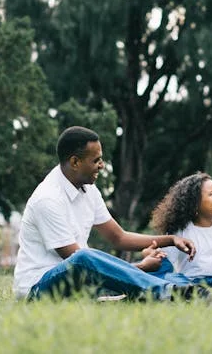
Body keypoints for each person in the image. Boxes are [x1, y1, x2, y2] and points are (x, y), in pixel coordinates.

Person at [13, 126, 201, 301]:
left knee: (162, 265)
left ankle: (198, 290)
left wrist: (170, 240)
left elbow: (119, 238)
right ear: (75, 162)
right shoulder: (48, 199)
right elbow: (81, 264)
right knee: (83, 257)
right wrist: (141, 267)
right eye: (96, 160)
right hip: (40, 288)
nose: (102, 165)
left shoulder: (88, 189)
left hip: (83, 280)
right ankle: (167, 292)